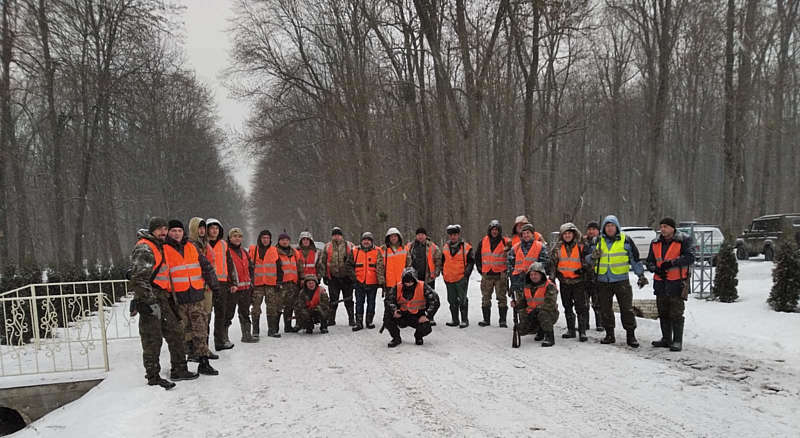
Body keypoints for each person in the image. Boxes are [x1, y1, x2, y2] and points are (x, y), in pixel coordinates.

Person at [129, 217, 196, 389]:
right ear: (152, 230)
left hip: (163, 296)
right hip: (150, 298)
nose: (163, 232)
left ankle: (179, 368)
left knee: (175, 332)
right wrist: (149, 302)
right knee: (153, 339)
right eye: (159, 229)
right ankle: (153, 376)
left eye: (165, 228)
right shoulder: (145, 247)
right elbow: (138, 279)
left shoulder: (159, 246)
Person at [163, 220, 221, 376]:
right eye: (173, 230)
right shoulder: (164, 250)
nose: (176, 233)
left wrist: (215, 286)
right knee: (181, 334)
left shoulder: (191, 247)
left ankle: (204, 362)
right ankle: (180, 367)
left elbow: (206, 267)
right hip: (177, 299)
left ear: (184, 232)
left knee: (200, 330)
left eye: (179, 231)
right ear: (168, 232)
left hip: (196, 296)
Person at [586, 215, 648, 347]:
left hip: (621, 281)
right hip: (602, 281)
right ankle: (609, 334)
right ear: (604, 228)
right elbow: (585, 259)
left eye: (612, 225)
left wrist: (641, 275)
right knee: (605, 309)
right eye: (607, 226)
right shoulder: (597, 241)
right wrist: (592, 256)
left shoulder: (626, 240)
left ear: (617, 227)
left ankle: (631, 335)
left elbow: (635, 259)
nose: (610, 228)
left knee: (626, 309)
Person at [645, 217, 695, 352]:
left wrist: (672, 263)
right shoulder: (655, 242)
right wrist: (656, 269)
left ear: (673, 228)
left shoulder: (683, 240)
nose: (662, 229)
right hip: (661, 283)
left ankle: (677, 341)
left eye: (665, 226)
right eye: (661, 226)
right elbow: (649, 261)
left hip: (677, 282)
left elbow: (690, 257)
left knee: (676, 313)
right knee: (663, 312)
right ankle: (666, 339)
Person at [549, 222, 591, 342]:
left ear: (574, 234)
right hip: (564, 282)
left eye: (569, 233)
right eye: (565, 233)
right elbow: (552, 264)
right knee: (567, 306)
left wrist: (584, 269)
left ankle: (582, 331)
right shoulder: (557, 247)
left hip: (578, 281)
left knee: (580, 307)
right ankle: (571, 330)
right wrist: (552, 277)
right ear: (562, 235)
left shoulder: (581, 246)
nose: (567, 236)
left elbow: (589, 260)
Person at [383, 267, 440, 347]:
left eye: (411, 282)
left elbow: (435, 301)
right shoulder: (397, 287)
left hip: (418, 316)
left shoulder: (423, 286)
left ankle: (418, 336)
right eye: (406, 282)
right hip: (402, 315)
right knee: (387, 318)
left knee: (426, 326)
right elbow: (388, 300)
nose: (408, 284)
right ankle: (396, 338)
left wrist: (427, 315)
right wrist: (394, 310)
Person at [187, 217, 218, 360]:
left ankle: (203, 348)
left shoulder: (205, 244)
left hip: (207, 287)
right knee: (196, 319)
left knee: (206, 317)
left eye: (203, 228)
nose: (202, 230)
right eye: (199, 227)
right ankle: (195, 350)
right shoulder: (191, 245)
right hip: (197, 286)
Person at [205, 218, 238, 351]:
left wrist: (233, 282)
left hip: (222, 284)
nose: (214, 231)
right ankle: (203, 345)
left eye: (217, 228)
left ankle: (219, 341)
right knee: (205, 315)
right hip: (206, 285)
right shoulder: (202, 244)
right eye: (212, 228)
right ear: (207, 229)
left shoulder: (224, 245)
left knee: (221, 314)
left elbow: (230, 265)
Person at [510, 262, 559, 347]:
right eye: (531, 274)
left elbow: (550, 304)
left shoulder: (549, 286)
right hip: (531, 313)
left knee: (543, 314)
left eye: (535, 274)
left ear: (541, 275)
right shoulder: (527, 286)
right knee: (521, 330)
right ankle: (540, 331)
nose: (533, 277)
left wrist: (536, 310)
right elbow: (523, 302)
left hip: (548, 313)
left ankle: (549, 337)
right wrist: (516, 305)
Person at [475, 220, 511, 327]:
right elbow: (477, 257)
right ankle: (486, 320)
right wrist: (480, 269)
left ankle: (502, 321)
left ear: (499, 231)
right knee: (485, 298)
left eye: (496, 230)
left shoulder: (506, 242)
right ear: (489, 230)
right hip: (487, 275)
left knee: (502, 298)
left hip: (500, 275)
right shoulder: (483, 241)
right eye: (493, 229)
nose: (494, 231)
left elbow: (513, 254)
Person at [318, 227, 356, 326]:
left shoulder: (350, 245)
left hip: (347, 278)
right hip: (333, 278)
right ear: (332, 236)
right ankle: (331, 319)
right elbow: (322, 262)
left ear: (341, 236)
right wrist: (325, 276)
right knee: (333, 300)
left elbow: (355, 261)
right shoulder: (327, 246)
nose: (336, 237)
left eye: (338, 235)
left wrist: (353, 276)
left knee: (348, 299)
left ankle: (351, 319)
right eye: (334, 235)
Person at [227, 228, 258, 343]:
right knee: (228, 314)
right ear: (230, 238)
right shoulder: (227, 252)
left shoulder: (244, 251)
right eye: (234, 236)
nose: (237, 238)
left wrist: (251, 282)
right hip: (233, 289)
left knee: (245, 313)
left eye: (239, 236)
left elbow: (250, 268)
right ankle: (223, 338)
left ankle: (246, 335)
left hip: (245, 288)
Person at [405, 227, 442, 325]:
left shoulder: (433, 246)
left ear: (426, 236)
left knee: (430, 298)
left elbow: (438, 260)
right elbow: (404, 259)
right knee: (414, 297)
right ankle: (414, 316)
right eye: (418, 234)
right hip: (414, 278)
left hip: (428, 277)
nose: (420, 236)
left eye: (422, 234)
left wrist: (436, 272)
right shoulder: (410, 246)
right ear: (416, 236)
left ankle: (430, 316)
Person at [440, 225, 474, 328]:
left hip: (461, 278)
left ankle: (464, 320)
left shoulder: (466, 247)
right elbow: (442, 261)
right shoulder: (445, 247)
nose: (453, 237)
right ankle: (455, 320)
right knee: (451, 300)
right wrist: (443, 272)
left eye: (455, 234)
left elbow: (471, 262)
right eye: (451, 235)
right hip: (449, 278)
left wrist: (466, 274)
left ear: (458, 235)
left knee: (462, 299)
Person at [352, 232, 385, 331]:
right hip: (359, 281)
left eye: (368, 240)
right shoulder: (355, 251)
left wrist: (381, 280)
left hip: (372, 282)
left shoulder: (378, 251)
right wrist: (354, 278)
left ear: (372, 241)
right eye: (364, 240)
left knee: (371, 303)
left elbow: (382, 266)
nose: (366, 242)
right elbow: (349, 265)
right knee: (359, 302)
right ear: (361, 241)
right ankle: (359, 322)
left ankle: (369, 321)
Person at [508, 223, 549, 297]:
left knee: (535, 304)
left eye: (528, 233)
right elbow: (510, 265)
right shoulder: (515, 248)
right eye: (523, 233)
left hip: (535, 282)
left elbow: (545, 263)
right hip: (519, 282)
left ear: (533, 234)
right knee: (519, 307)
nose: (526, 235)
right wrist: (513, 281)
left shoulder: (540, 246)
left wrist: (533, 273)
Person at [248, 230, 276, 338]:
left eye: (267, 238)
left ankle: (272, 330)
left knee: (272, 307)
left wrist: (278, 282)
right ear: (260, 238)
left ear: (270, 239)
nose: (265, 240)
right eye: (263, 238)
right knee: (255, 308)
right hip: (257, 284)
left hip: (270, 284)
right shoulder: (253, 250)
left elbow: (279, 267)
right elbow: (249, 267)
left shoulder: (274, 250)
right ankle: (255, 331)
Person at [275, 232, 303, 333]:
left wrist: (301, 279)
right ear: (279, 241)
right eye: (282, 240)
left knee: (290, 306)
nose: (285, 241)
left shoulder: (295, 252)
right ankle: (275, 328)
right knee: (278, 306)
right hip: (281, 284)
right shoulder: (274, 252)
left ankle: (288, 326)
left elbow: (299, 267)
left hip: (293, 283)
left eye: (286, 240)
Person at [583, 221, 604, 331]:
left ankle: (600, 323)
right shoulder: (583, 242)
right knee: (584, 303)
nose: (591, 231)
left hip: (597, 276)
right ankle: (585, 323)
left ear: (598, 230)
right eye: (589, 229)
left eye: (593, 229)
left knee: (598, 302)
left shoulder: (602, 241)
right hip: (584, 276)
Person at [381, 227, 407, 292]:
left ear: (399, 237)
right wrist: (381, 280)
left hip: (402, 281)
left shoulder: (405, 249)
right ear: (388, 238)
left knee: (402, 301)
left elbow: (409, 265)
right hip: (389, 282)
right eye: (391, 236)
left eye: (395, 236)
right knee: (389, 301)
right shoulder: (383, 250)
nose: (393, 238)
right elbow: (380, 266)